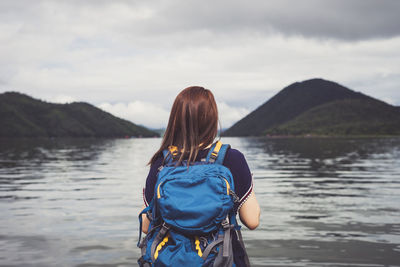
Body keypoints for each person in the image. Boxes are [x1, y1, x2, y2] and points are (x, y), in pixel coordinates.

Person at [140, 86, 260, 266]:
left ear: (176, 120)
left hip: (170, 259)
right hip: (224, 259)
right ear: (212, 119)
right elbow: (252, 220)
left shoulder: (161, 162)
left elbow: (145, 226)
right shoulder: (232, 158)